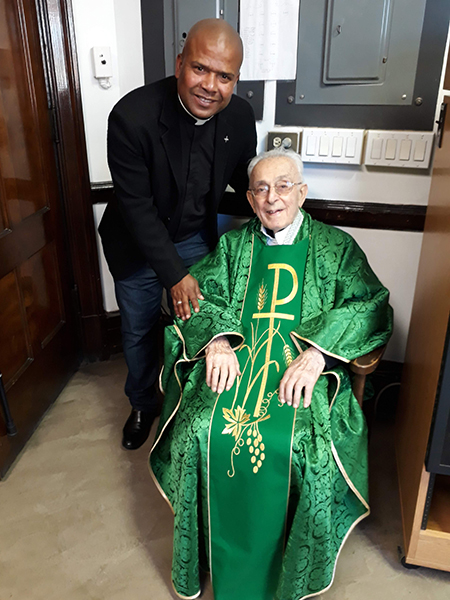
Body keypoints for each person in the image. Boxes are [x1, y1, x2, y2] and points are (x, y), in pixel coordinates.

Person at [149, 149, 393, 600]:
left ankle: (291, 563)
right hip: (239, 361)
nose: (272, 198)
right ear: (249, 197)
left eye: (283, 186)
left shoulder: (336, 247)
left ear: (301, 193)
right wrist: (217, 342)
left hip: (304, 367)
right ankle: (207, 546)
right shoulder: (234, 247)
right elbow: (197, 297)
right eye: (260, 188)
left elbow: (370, 303)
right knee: (198, 429)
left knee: (307, 447)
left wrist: (319, 354)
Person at [99, 19, 257, 449]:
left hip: (193, 235)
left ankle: (188, 406)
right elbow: (137, 209)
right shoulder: (132, 117)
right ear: (179, 64)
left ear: (235, 79)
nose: (211, 86)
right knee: (139, 326)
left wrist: (275, 197)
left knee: (204, 321)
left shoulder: (240, 117)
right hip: (136, 241)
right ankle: (142, 403)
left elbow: (243, 180)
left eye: (224, 76)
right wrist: (173, 274)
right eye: (200, 69)